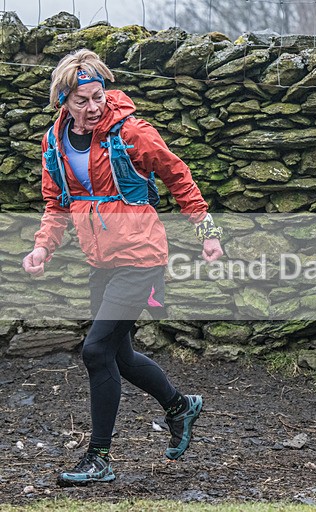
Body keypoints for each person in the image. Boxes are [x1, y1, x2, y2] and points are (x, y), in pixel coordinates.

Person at [22, 49, 224, 486]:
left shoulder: (131, 132)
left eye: (98, 96)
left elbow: (177, 175)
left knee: (96, 351)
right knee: (120, 354)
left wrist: (207, 232)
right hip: (101, 260)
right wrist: (42, 249)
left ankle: (99, 457)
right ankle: (180, 406)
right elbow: (56, 205)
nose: (93, 107)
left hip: (141, 257)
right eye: (82, 101)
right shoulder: (54, 142)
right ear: (63, 101)